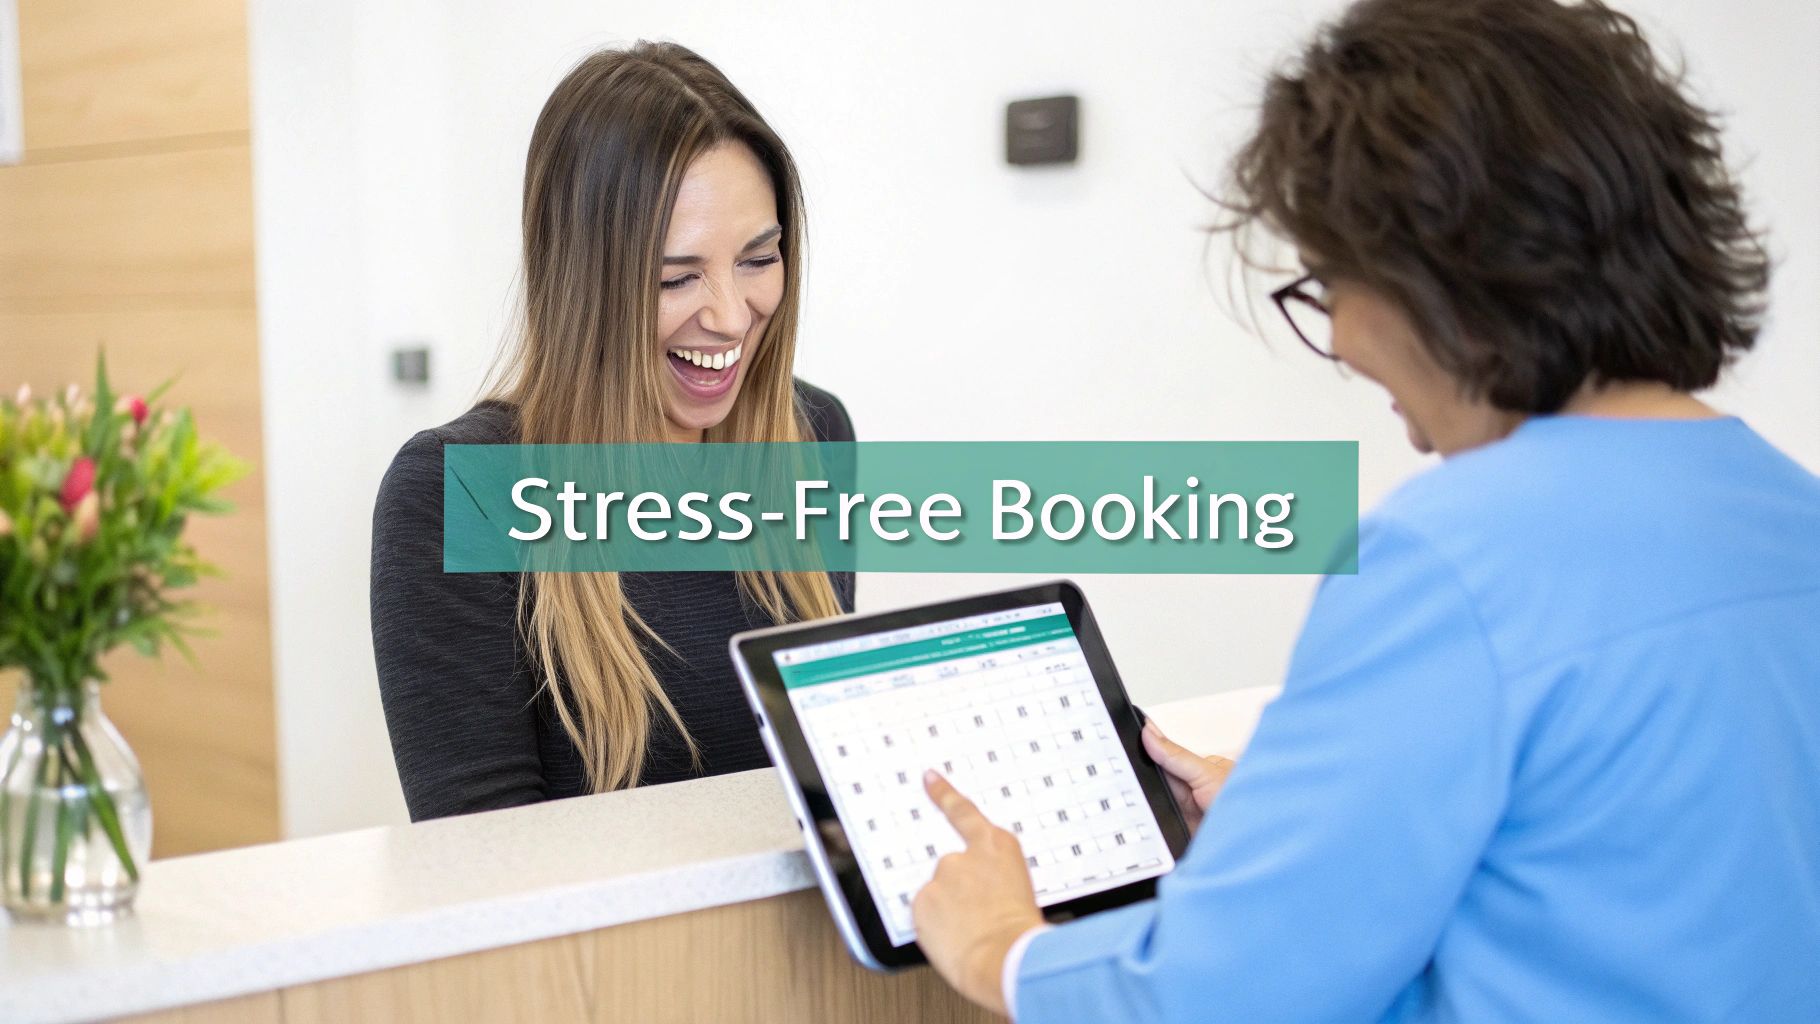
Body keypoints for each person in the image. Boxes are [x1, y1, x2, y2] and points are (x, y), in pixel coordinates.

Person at [911, 1, 1820, 1020]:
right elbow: (1604, 881)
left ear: (1437, 262)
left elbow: (1224, 993)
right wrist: (1295, 838)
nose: (1338, 338)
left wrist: (1001, 948)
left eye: (1329, 278)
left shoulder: (1452, 557)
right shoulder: (1791, 514)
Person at [370, 42, 854, 821]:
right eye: (677, 277)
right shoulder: (456, 493)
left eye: (759, 259)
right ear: (583, 283)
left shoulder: (816, 436)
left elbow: (830, 791)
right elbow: (482, 874)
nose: (731, 316)